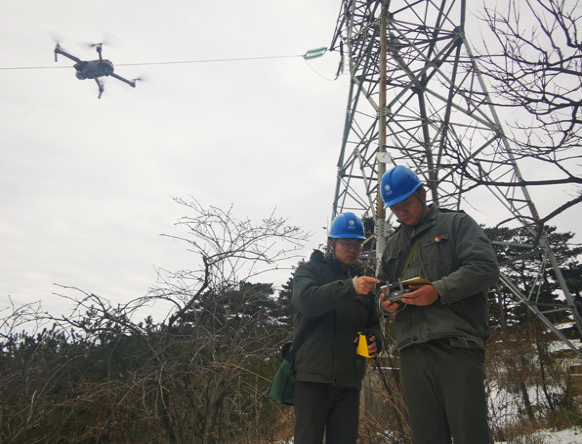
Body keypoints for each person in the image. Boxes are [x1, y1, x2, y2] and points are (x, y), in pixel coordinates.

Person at [378, 165, 499, 444]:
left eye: (406, 204)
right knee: (427, 436)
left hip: (455, 344)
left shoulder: (456, 224)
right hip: (411, 351)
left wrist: (438, 290)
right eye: (394, 208)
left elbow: (485, 268)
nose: (401, 212)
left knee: (471, 434)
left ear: (422, 193)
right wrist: (386, 305)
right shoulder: (394, 245)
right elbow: (381, 290)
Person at [291, 212, 383, 444]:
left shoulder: (363, 281)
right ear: (332, 244)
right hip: (312, 378)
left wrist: (374, 340)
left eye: (357, 244)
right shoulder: (310, 271)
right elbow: (307, 302)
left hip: (348, 382)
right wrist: (350, 287)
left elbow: (373, 323)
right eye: (346, 243)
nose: (352, 249)